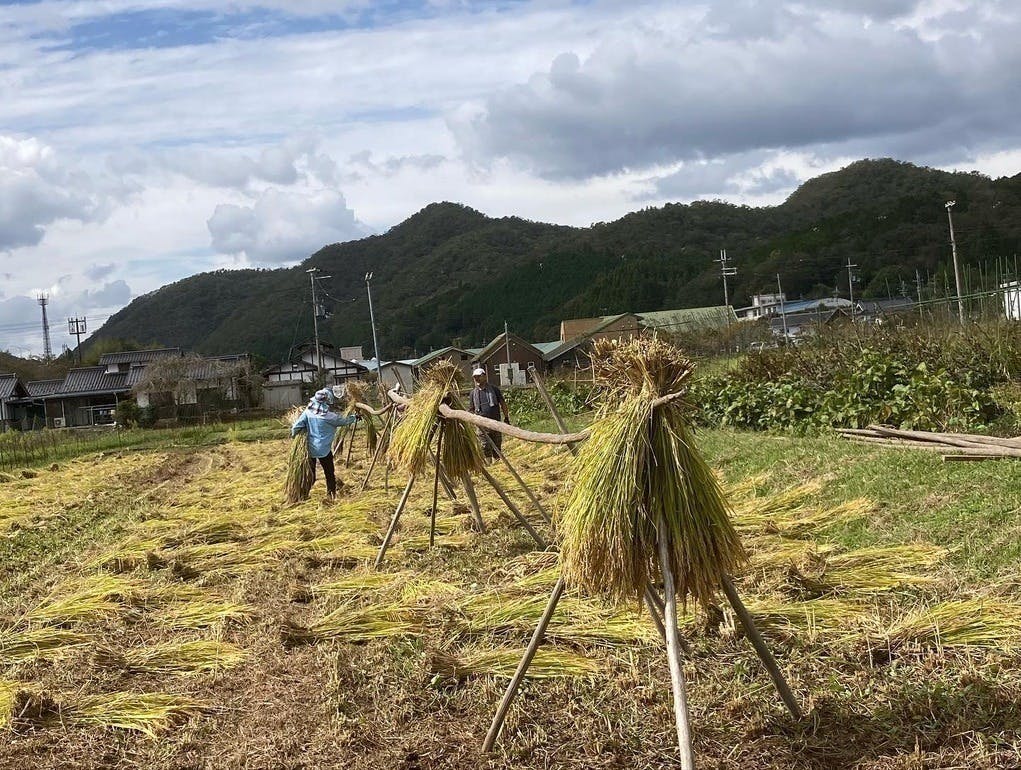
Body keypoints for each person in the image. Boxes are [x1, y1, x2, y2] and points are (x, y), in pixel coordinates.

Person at [291, 387, 357, 499]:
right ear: (327, 402)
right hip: (324, 450)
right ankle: (330, 495)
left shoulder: (308, 412)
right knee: (329, 473)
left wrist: (295, 438)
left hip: (310, 449)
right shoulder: (330, 417)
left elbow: (296, 427)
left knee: (310, 475)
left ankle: (303, 495)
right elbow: (344, 421)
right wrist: (355, 417)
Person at [467, 367, 509, 460]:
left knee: (497, 446)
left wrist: (506, 417)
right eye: (475, 377)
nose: (477, 379)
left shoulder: (494, 389)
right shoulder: (473, 393)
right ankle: (489, 464)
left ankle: (498, 464)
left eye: (479, 376)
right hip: (481, 425)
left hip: (495, 423)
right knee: (485, 446)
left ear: (484, 376)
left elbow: (502, 403)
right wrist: (472, 421)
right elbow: (471, 409)